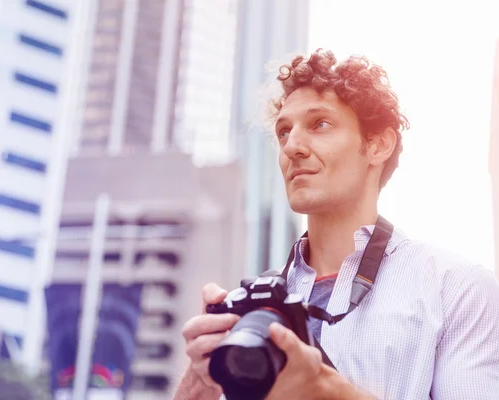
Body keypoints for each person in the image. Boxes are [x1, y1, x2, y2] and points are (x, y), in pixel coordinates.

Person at [172, 49, 499, 400]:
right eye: (284, 132)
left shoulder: (456, 288)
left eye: (319, 124)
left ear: (378, 144)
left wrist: (324, 391)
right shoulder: (255, 306)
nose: (292, 146)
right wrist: (200, 382)